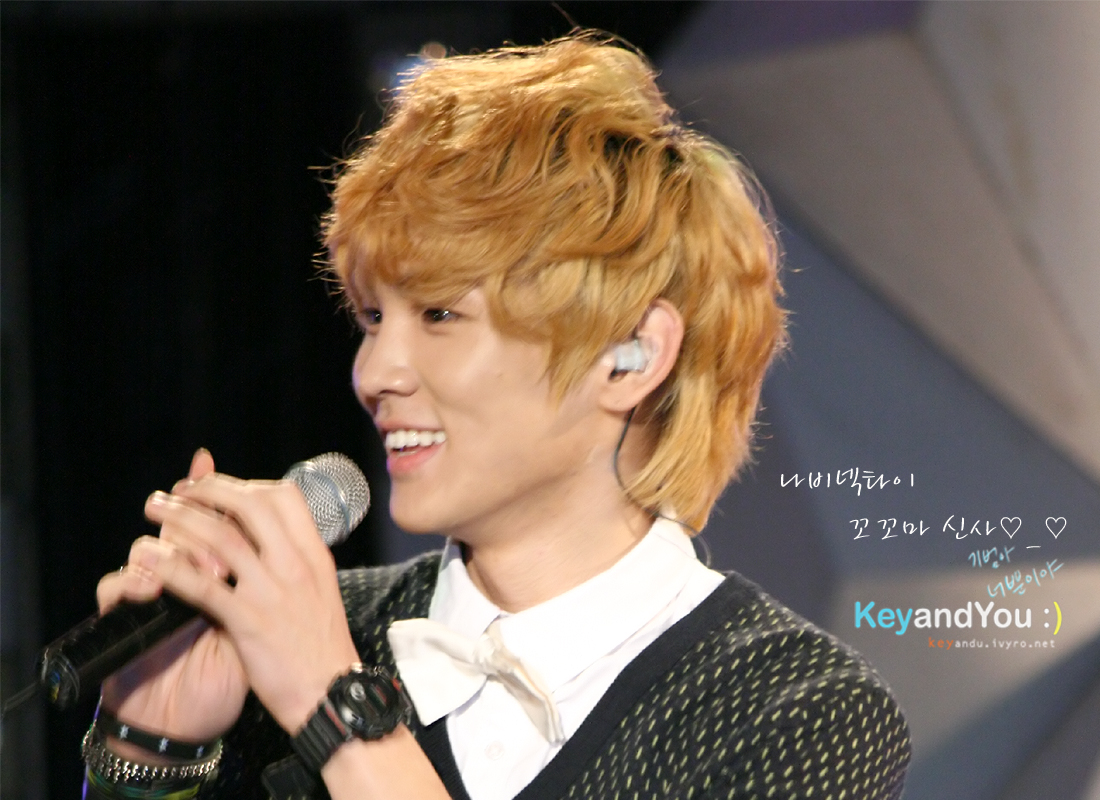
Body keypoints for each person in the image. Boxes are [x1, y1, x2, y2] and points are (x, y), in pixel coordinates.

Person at [86, 33, 910, 800]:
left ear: (631, 354)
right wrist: (152, 751)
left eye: (439, 314)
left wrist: (334, 705)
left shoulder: (800, 711)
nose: (374, 374)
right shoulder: (302, 637)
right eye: (372, 318)